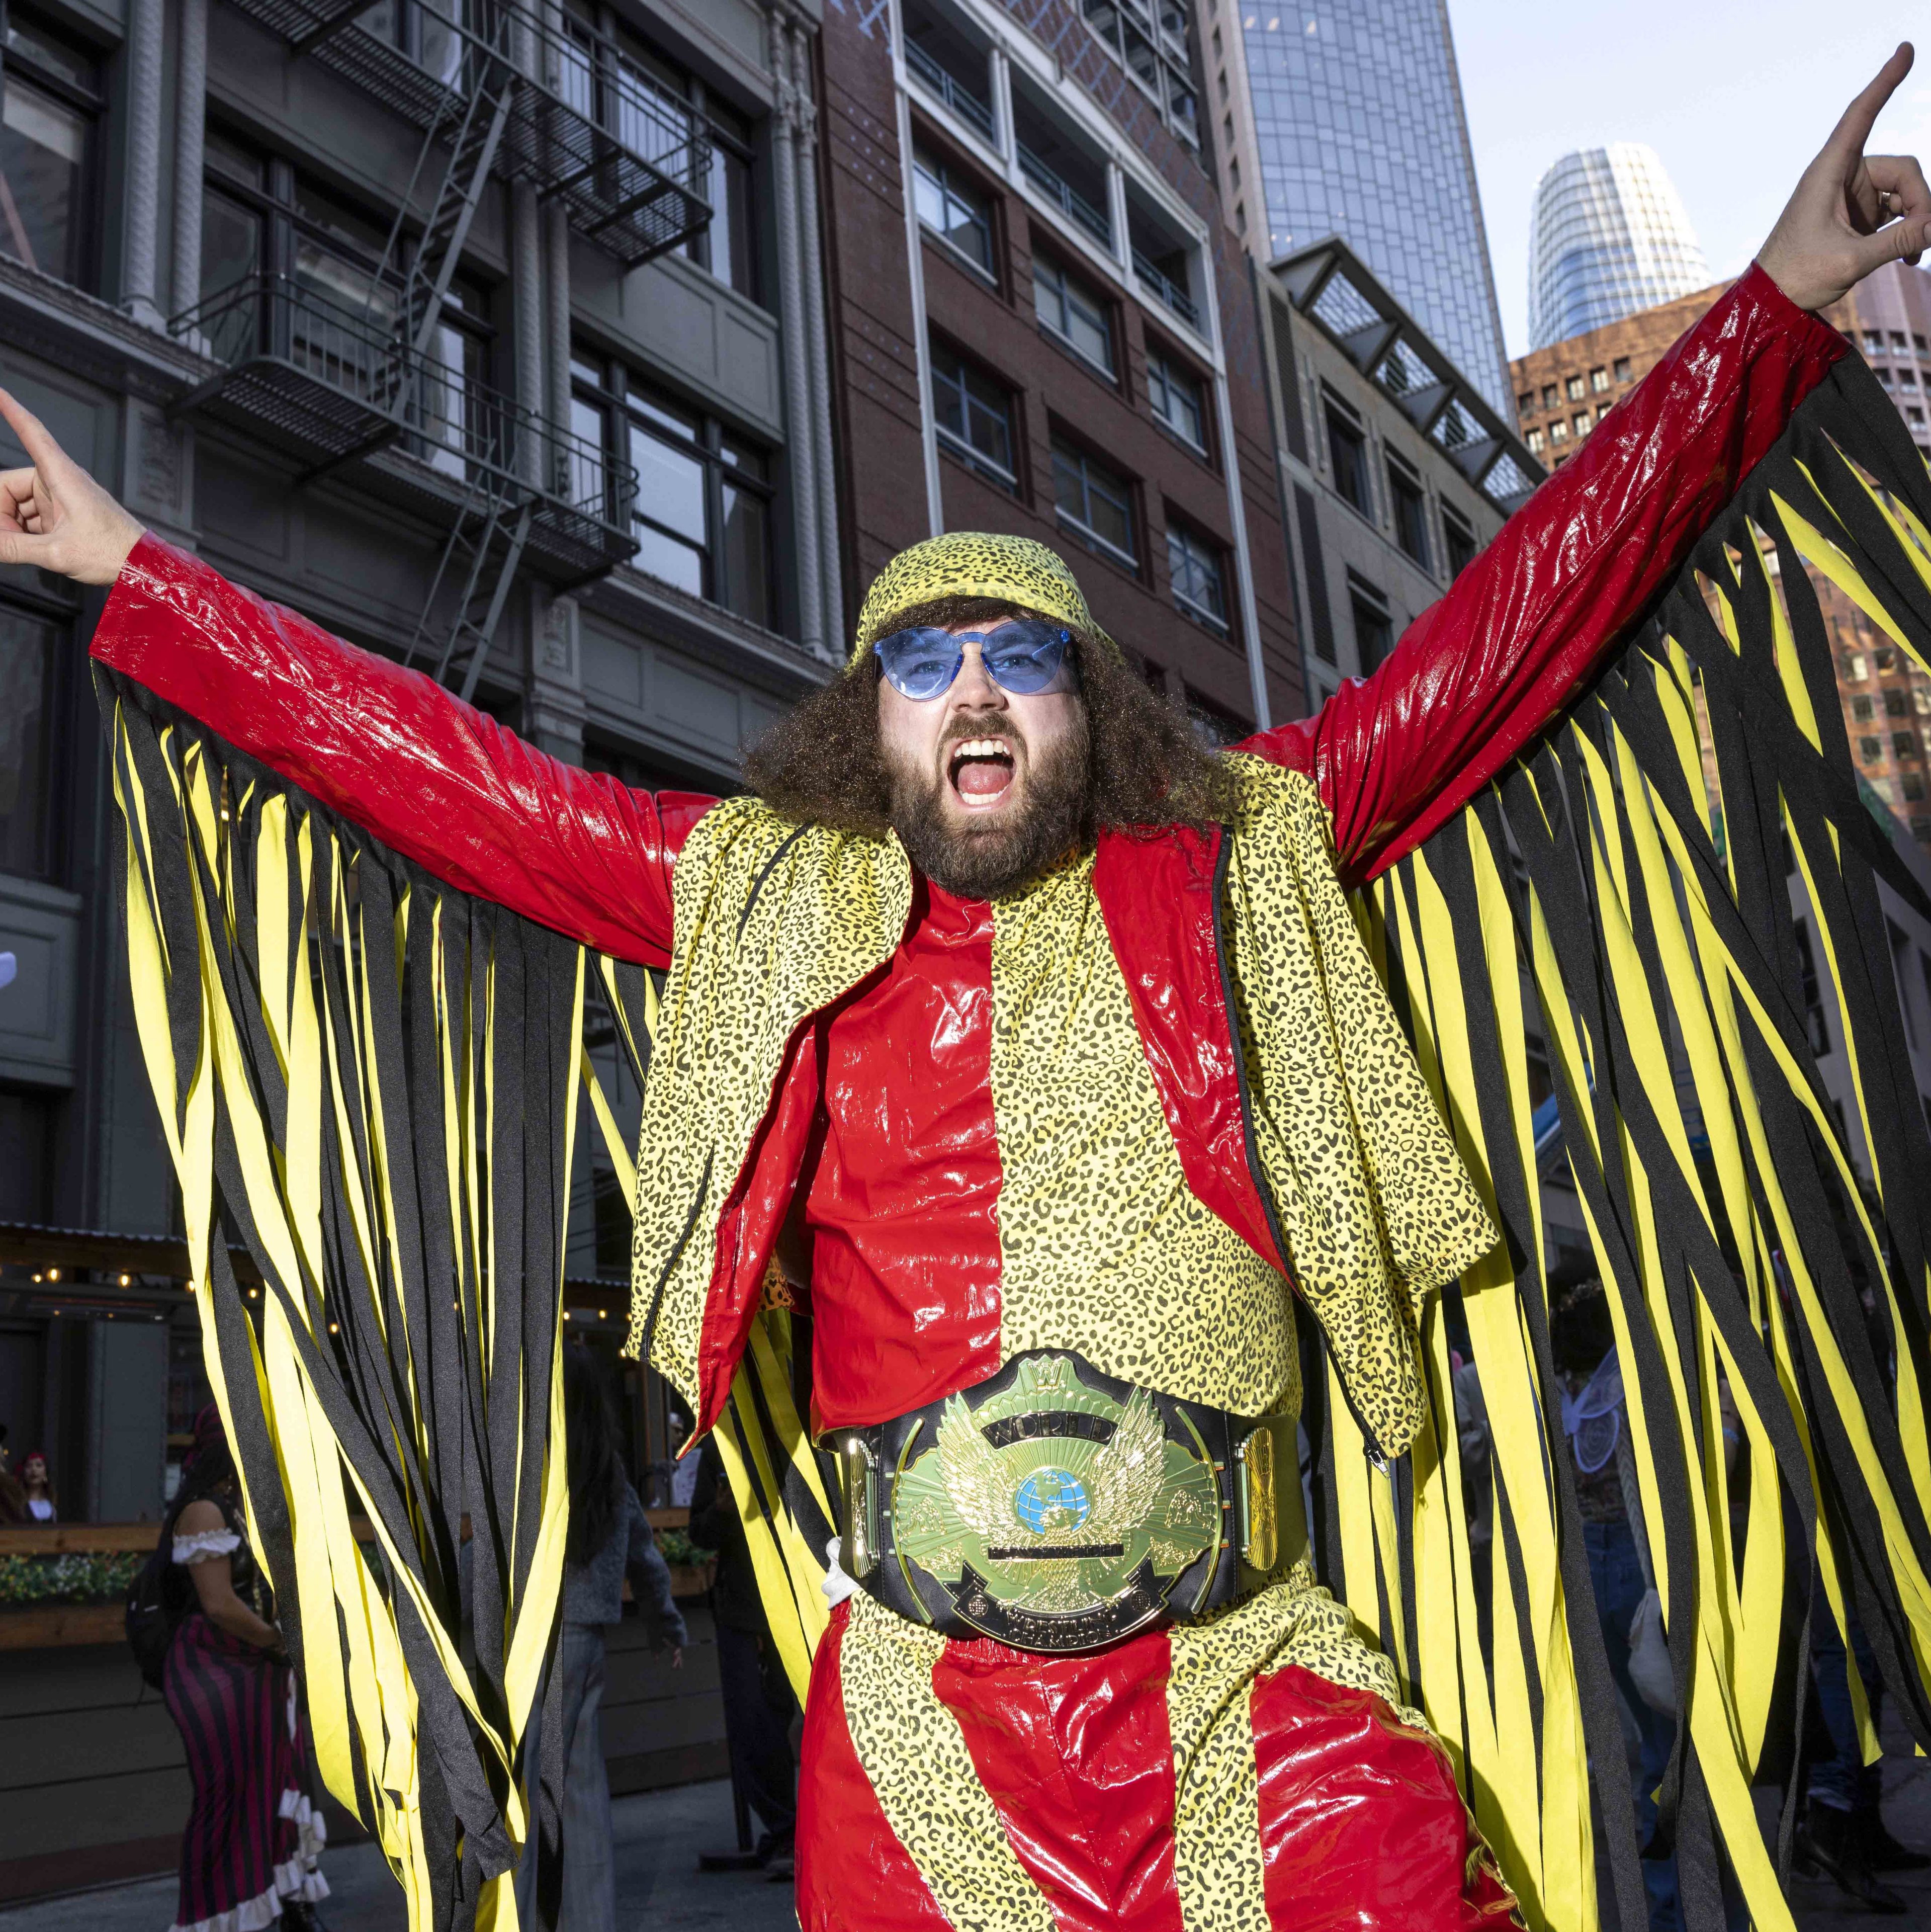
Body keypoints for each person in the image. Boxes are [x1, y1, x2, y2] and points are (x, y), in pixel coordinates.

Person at [1, 48, 1925, 1931]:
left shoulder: (1245, 854)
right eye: (929, 665)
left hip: (1249, 1704)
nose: (980, 690)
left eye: (1025, 655)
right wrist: (134, 575)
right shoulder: (760, 897)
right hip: (925, 1740)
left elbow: (1524, 616)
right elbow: (452, 773)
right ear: (874, 726)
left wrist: (1767, 315)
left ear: (1091, 705)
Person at [516, 1346, 686, 1932]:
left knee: (527, 1800)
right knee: (581, 1798)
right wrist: (666, 1624)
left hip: (538, 1649)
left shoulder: (530, 1468)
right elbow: (645, 1556)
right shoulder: (607, 1472)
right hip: (588, 1648)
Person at [160, 1404, 328, 1932]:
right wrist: (281, 1643)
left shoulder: (246, 1502)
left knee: (272, 1785)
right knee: (226, 1795)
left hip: (258, 1665)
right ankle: (213, 1916)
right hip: (217, 1667)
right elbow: (220, 1605)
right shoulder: (206, 1510)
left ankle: (280, 1905)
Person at [689, 1437, 799, 1880]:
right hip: (743, 1605)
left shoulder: (784, 1436)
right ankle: (784, 1827)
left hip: (786, 1600)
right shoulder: (718, 1450)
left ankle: (790, 1828)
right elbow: (698, 1531)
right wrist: (721, 1511)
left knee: (779, 1715)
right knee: (753, 1723)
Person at [17, 1448, 55, 1522]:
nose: (34, 1469)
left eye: (39, 1465)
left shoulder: (53, 1502)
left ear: (46, 1472)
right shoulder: (17, 1502)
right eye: (29, 1466)